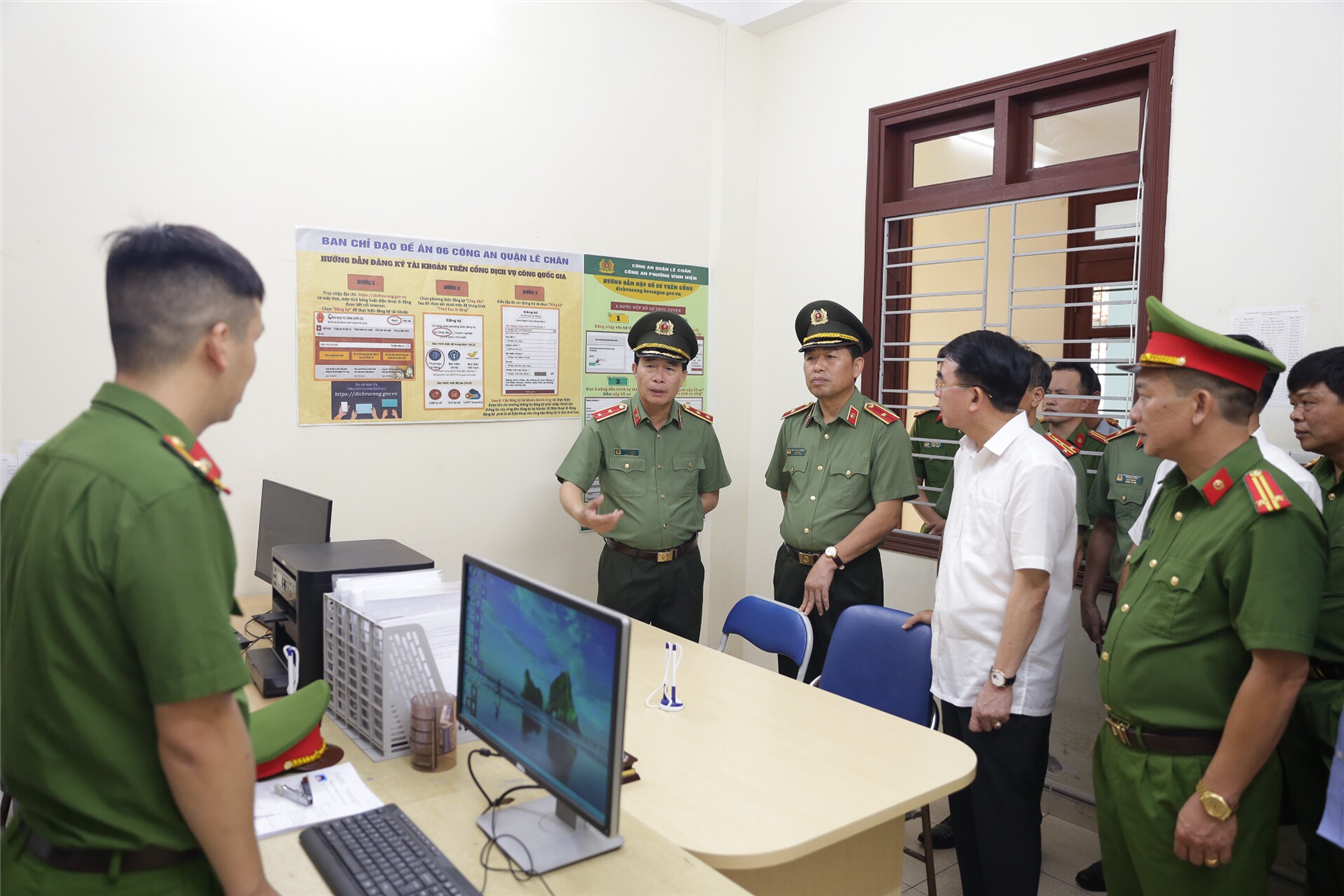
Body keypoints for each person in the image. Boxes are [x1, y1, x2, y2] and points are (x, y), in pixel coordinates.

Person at [0, 225, 277, 896]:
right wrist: (251, 887)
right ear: (219, 343)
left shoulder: (50, 464)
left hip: (37, 853)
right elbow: (197, 734)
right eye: (255, 339)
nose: (252, 361)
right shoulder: (163, 492)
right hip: (131, 875)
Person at [1093, 297, 1325, 896]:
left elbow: (1279, 674)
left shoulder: (1268, 510)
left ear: (1198, 406)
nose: (1133, 411)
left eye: (1145, 394)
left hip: (1194, 772)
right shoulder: (1178, 490)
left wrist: (1217, 798)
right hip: (1126, 756)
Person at [904, 330, 1078, 896]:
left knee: (1004, 827)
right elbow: (978, 555)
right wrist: (947, 611)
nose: (935, 394)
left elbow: (1031, 586)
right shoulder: (970, 451)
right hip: (958, 668)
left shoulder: (1037, 468)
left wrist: (1001, 680)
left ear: (975, 396)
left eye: (941, 382)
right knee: (972, 820)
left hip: (1002, 683)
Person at [765, 300, 917, 682]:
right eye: (810, 357)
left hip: (848, 575)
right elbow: (789, 493)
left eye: (830, 357)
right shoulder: (793, 425)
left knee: (845, 680)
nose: (818, 366)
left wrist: (830, 557)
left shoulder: (884, 429)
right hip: (791, 570)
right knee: (791, 673)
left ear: (858, 366)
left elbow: (888, 515)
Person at [556, 311, 730, 642]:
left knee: (680, 660)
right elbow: (571, 485)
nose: (659, 377)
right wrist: (581, 513)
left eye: (670, 368)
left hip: (685, 568)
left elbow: (711, 494)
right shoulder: (606, 426)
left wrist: (683, 514)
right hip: (625, 569)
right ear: (635, 370)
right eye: (650, 365)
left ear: (684, 376)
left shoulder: (701, 430)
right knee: (617, 659)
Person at [1127, 334, 1323, 545]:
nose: (1134, 414)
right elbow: (1141, 550)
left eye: (1147, 397)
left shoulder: (1291, 482)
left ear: (1202, 404)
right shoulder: (1173, 465)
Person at [1280, 346, 1344, 895]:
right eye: (1292, 404)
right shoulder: (1308, 482)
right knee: (1315, 835)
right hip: (1301, 689)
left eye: (1308, 403)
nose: (1296, 416)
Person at [1042, 360, 1111, 475]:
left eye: (1061, 394)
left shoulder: (1101, 450)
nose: (1050, 401)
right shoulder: (1033, 439)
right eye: (1048, 393)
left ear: (1084, 403)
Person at [908, 407, 959, 536]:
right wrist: (939, 525)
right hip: (934, 533)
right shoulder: (925, 422)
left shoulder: (990, 424)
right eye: (938, 385)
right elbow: (912, 483)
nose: (937, 393)